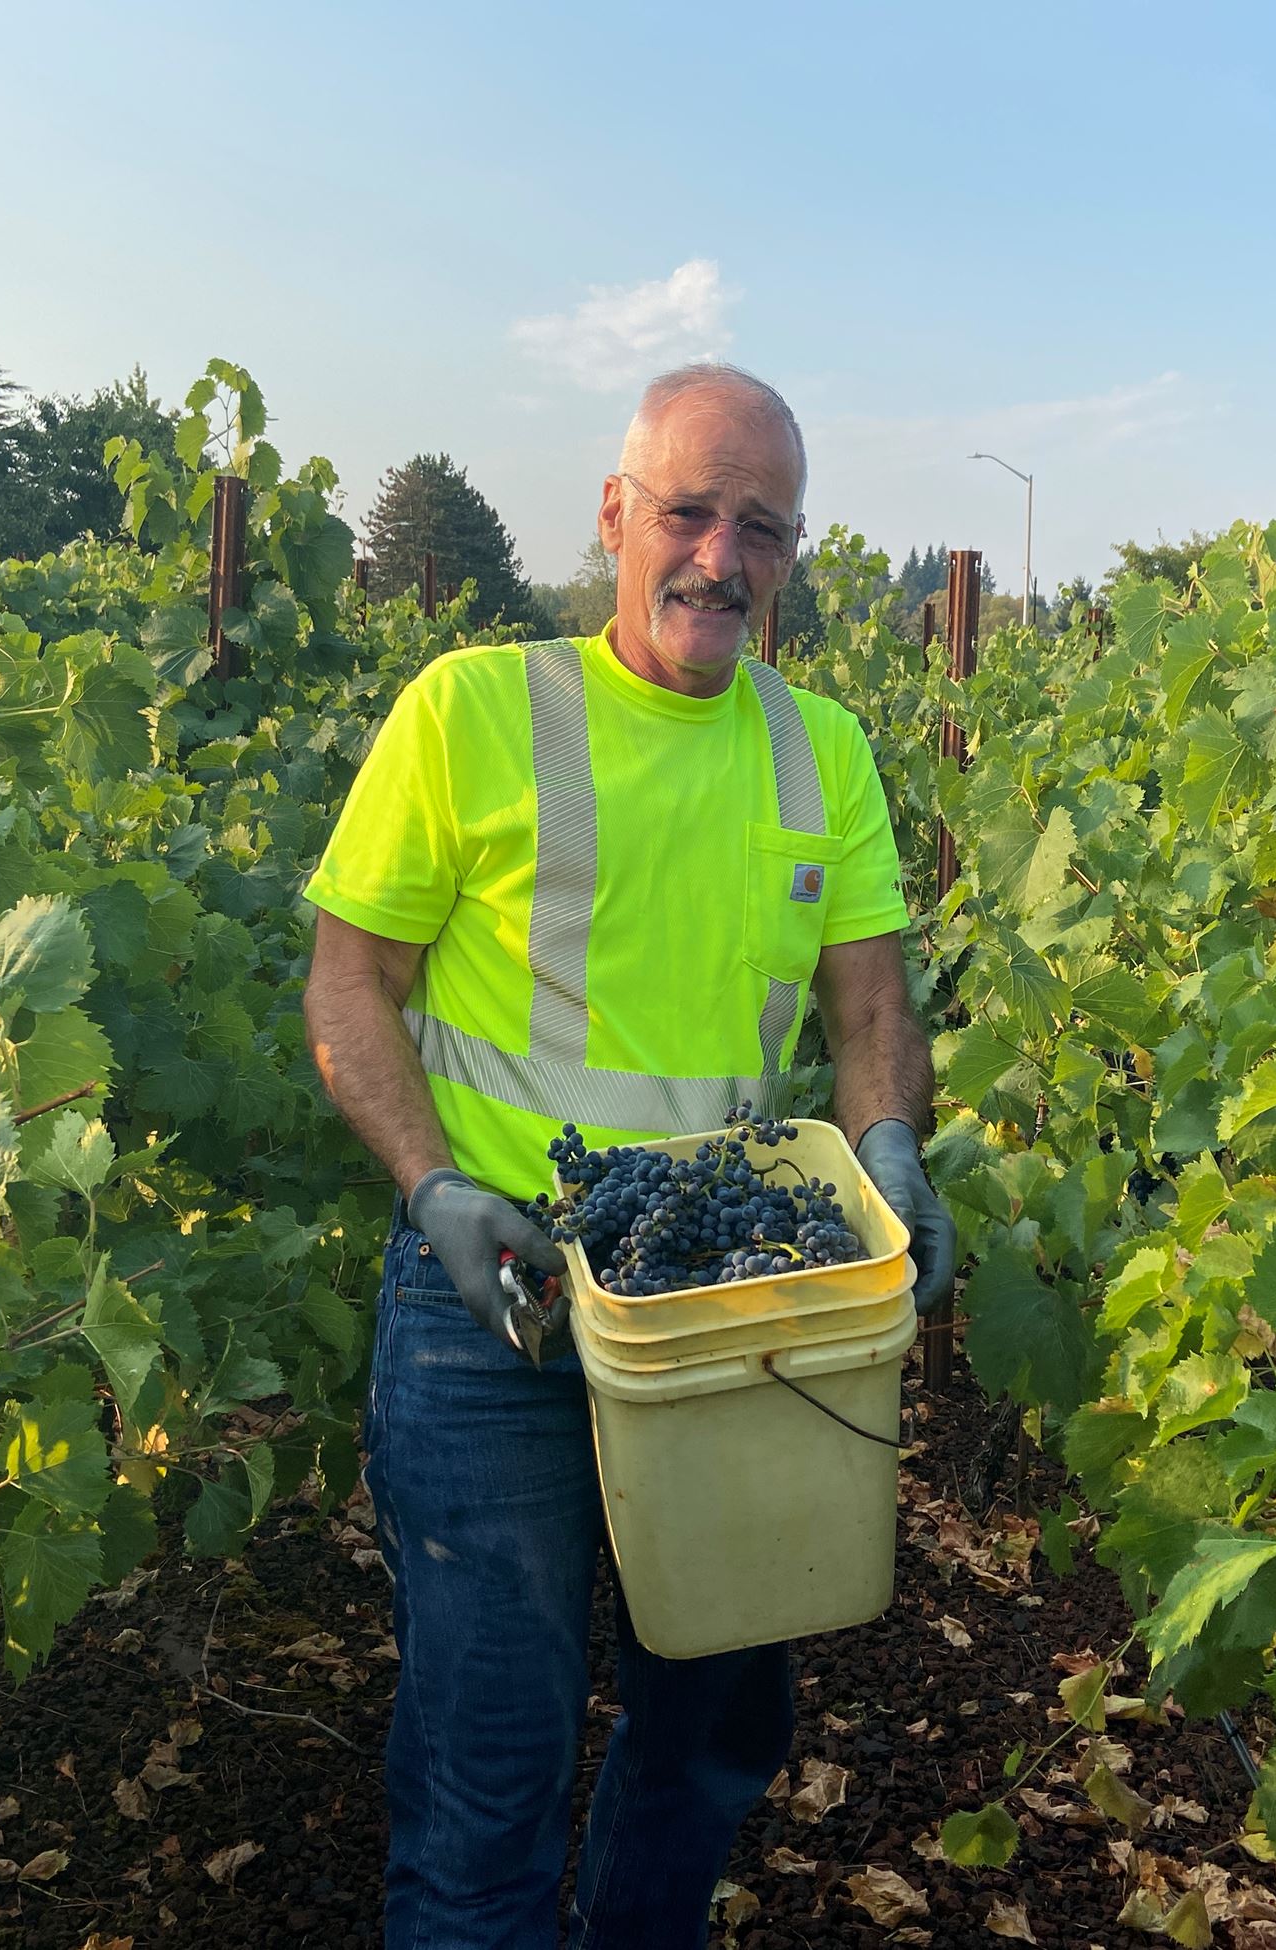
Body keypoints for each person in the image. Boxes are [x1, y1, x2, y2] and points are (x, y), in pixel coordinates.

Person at [302, 362, 957, 1950]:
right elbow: (347, 986)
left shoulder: (826, 753)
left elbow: (871, 1005)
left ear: (793, 554)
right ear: (614, 513)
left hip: (735, 1322)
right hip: (497, 1306)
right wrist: (436, 1188)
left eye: (763, 528)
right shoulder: (471, 711)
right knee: (490, 1772)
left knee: (715, 1732)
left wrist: (888, 1146)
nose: (720, 559)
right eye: (688, 511)